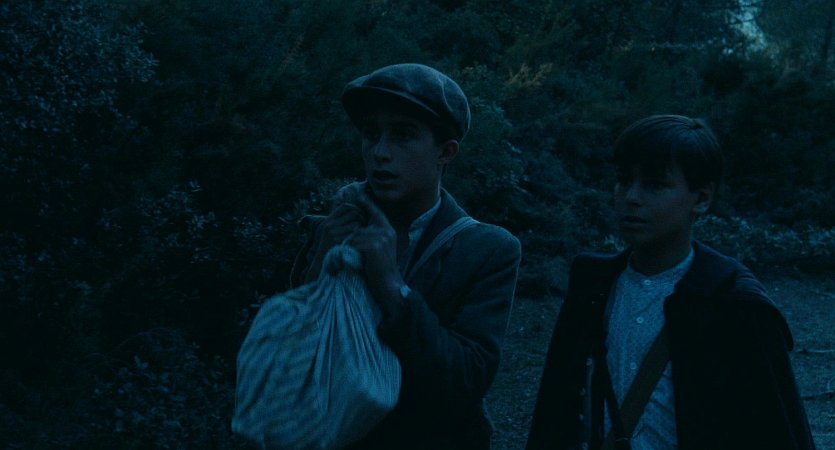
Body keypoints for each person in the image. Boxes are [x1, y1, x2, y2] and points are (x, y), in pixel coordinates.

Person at [526, 115, 816, 450]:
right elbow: (556, 412)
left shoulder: (732, 301)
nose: (631, 197)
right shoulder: (593, 284)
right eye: (623, 180)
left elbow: (775, 429)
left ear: (701, 199)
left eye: (655, 184)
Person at [289, 63, 522, 449]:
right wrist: (319, 266)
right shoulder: (329, 229)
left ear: (445, 152)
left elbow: (466, 381)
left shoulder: (487, 249)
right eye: (371, 134)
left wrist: (391, 287)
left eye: (403, 135)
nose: (380, 152)